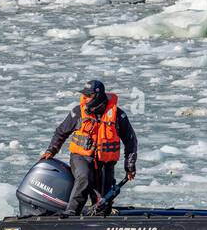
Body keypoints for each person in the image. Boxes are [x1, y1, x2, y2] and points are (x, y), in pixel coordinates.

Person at [41, 79, 138, 217]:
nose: (84, 99)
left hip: (105, 162)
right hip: (81, 157)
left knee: (104, 200)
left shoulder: (117, 116)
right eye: (84, 95)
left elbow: (131, 140)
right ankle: (71, 212)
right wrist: (51, 150)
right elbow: (61, 132)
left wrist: (130, 166)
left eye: (88, 96)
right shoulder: (78, 112)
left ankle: (99, 218)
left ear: (98, 96)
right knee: (85, 177)